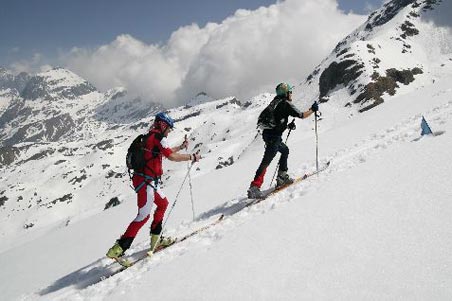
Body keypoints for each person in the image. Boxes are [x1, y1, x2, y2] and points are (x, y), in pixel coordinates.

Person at [107, 112, 201, 260]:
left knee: (163, 204)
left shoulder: (151, 136)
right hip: (146, 182)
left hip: (146, 181)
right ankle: (119, 249)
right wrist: (192, 157)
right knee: (143, 216)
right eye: (169, 128)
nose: (169, 131)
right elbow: (170, 156)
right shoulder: (159, 137)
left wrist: (182, 147)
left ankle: (156, 240)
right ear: (163, 125)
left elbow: (164, 152)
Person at [247, 83, 319, 199]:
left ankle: (281, 177)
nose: (291, 94)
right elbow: (301, 115)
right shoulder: (286, 104)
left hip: (269, 135)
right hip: (274, 138)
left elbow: (277, 119)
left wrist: (286, 125)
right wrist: (312, 109)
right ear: (286, 93)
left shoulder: (275, 102)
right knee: (267, 160)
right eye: (290, 92)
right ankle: (254, 187)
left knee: (285, 150)